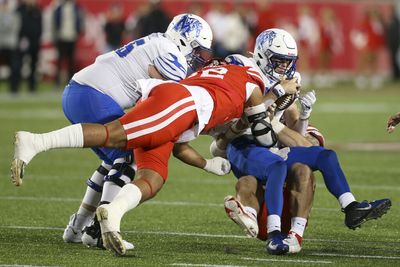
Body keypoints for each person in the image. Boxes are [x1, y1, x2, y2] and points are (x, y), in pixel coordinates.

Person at [11, 61, 283, 256]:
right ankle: (36, 141)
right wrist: (278, 94)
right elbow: (264, 135)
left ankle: (112, 216)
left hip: (178, 110)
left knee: (153, 176)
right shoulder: (251, 81)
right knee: (114, 135)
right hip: (180, 104)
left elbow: (179, 145)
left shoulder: (219, 75)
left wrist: (207, 165)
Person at [53, 13, 213, 248]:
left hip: (80, 90)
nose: (198, 58)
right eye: (197, 50)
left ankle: (78, 225)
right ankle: (98, 229)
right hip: (92, 95)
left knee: (113, 161)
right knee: (128, 157)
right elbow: (168, 96)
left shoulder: (159, 42)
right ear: (185, 40)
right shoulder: (172, 55)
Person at [53, 0, 83, 89]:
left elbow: (79, 20)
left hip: (72, 37)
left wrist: (78, 31)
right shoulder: (59, 8)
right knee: (60, 60)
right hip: (61, 37)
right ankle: (57, 81)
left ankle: (70, 81)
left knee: (71, 60)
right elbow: (55, 21)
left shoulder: (76, 7)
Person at [16, 0, 42, 93]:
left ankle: (32, 87)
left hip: (34, 41)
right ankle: (15, 86)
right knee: (18, 63)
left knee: (34, 64)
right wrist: (20, 38)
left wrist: (38, 38)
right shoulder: (19, 9)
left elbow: (40, 26)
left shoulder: (37, 10)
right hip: (23, 41)